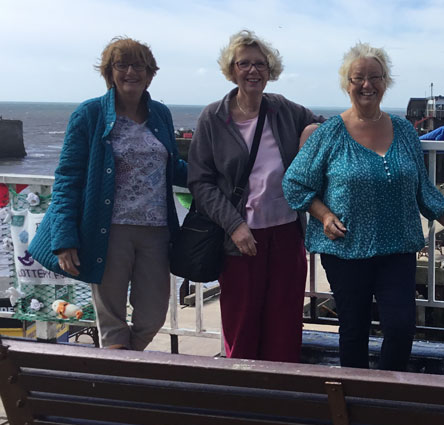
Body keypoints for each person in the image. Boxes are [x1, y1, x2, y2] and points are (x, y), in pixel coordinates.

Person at [283, 42, 444, 371]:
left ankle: (387, 396)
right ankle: (353, 402)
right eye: (357, 78)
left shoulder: (403, 129)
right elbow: (294, 182)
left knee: (402, 327)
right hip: (346, 249)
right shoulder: (330, 133)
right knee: (354, 330)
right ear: (346, 84)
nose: (366, 85)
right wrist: (324, 214)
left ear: (385, 82)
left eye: (374, 77)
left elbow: (421, 186)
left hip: (397, 247)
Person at [30, 37, 187, 350]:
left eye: (138, 65)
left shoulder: (161, 115)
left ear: (150, 73)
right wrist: (64, 239)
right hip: (107, 231)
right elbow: (68, 177)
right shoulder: (89, 114)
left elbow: (173, 166)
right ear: (109, 72)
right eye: (122, 65)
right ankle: (120, 385)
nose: (131, 71)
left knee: (153, 316)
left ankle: (120, 368)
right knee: (112, 322)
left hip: (156, 231)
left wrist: (216, 175)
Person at [188, 30, 322, 362]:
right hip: (240, 238)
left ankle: (280, 401)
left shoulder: (284, 109)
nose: (253, 71)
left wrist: (312, 136)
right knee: (242, 324)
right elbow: (201, 182)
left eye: (260, 64)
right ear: (232, 70)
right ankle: (243, 400)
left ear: (270, 70)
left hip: (287, 233)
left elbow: (324, 128)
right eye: (244, 63)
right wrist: (234, 225)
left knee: (285, 323)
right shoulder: (213, 118)